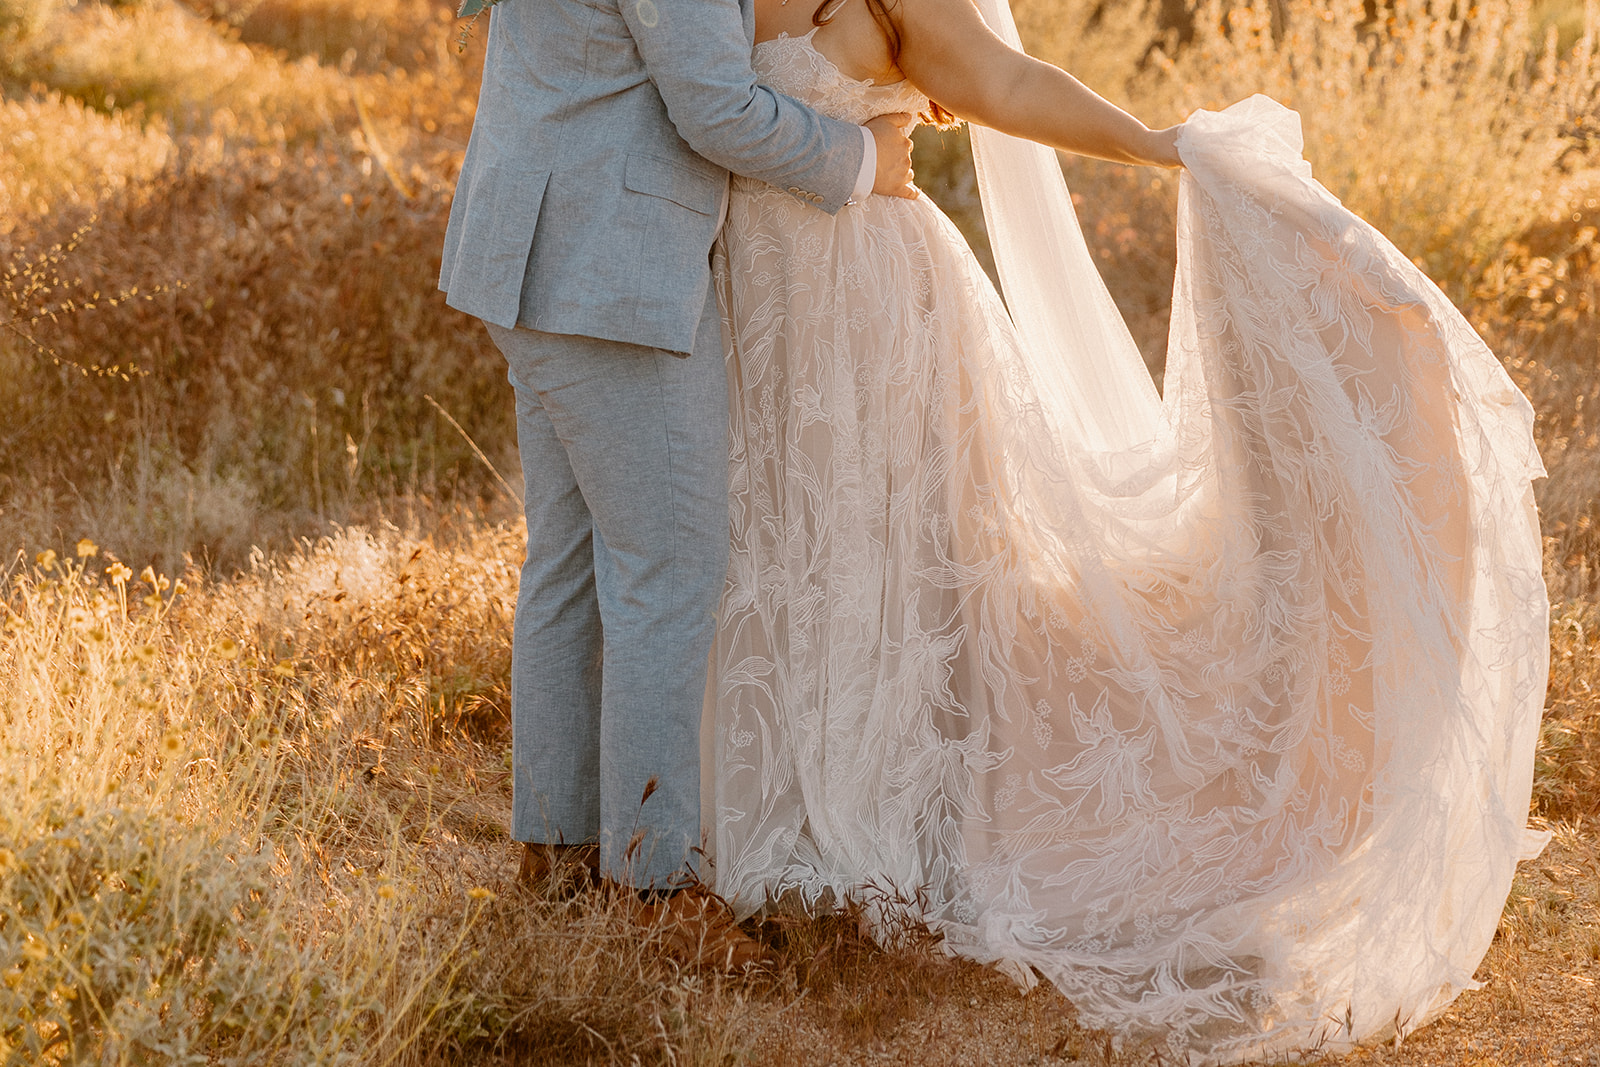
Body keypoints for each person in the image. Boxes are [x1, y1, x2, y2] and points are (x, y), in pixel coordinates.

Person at [708, 0, 1550, 1059]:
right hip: (741, 303)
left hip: (871, 314)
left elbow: (1011, 87)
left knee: (881, 563)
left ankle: (865, 821)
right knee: (763, 547)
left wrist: (1157, 147)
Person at [437, 0, 919, 937]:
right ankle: (653, 894)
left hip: (534, 248)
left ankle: (558, 850)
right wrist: (865, 158)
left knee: (568, 567)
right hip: (608, 271)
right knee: (668, 572)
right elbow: (713, 107)